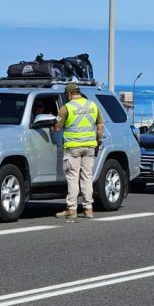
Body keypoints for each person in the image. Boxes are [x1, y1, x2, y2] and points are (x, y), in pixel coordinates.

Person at [54, 84, 104, 220]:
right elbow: (100, 126)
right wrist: (98, 142)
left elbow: (57, 128)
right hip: (89, 147)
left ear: (69, 94)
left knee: (73, 178)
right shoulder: (93, 105)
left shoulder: (66, 108)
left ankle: (72, 209)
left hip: (73, 148)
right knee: (87, 177)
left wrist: (53, 128)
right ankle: (88, 209)